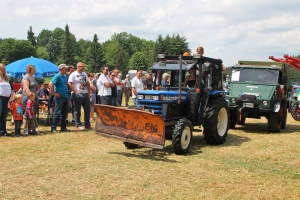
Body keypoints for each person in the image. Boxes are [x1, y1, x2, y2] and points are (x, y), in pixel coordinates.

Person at [68, 62, 92, 130]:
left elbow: (88, 83)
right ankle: (78, 125)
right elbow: (69, 83)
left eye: (83, 66)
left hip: (85, 93)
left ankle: (87, 125)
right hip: (77, 94)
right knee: (77, 110)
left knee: (87, 109)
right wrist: (75, 92)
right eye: (82, 66)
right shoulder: (73, 74)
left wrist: (89, 92)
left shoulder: (84, 74)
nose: (83, 68)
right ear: (78, 67)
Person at [49, 64, 70, 133]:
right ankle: (53, 128)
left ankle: (63, 127)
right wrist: (54, 93)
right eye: (65, 68)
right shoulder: (57, 76)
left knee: (64, 112)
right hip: (59, 97)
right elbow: (51, 84)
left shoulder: (64, 76)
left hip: (65, 96)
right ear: (61, 69)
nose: (66, 70)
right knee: (57, 112)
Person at [22, 64, 39, 134]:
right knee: (27, 113)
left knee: (33, 113)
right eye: (33, 69)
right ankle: (26, 129)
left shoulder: (33, 77)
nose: (35, 70)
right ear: (29, 70)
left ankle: (33, 128)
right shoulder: (26, 77)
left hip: (34, 97)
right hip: (28, 98)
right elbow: (26, 88)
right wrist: (31, 98)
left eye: (35, 69)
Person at [0, 63, 13, 136]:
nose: (4, 69)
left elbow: (12, 88)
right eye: (3, 68)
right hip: (0, 97)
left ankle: (3, 130)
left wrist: (11, 96)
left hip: (6, 97)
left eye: (4, 68)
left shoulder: (7, 78)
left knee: (4, 115)